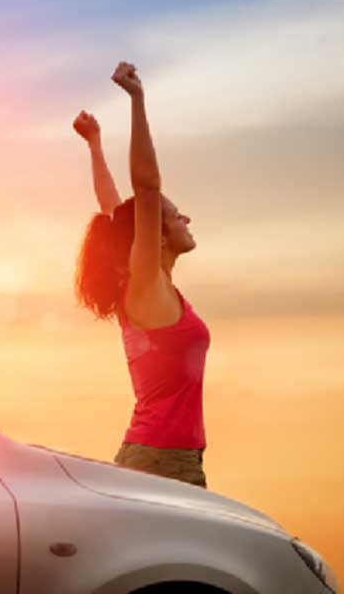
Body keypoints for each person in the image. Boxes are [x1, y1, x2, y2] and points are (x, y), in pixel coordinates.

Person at [72, 62, 210, 488]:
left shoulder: (153, 287)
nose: (185, 217)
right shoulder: (145, 285)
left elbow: (115, 212)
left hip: (161, 457)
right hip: (163, 463)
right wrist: (137, 100)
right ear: (157, 236)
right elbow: (145, 190)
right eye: (174, 216)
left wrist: (94, 146)